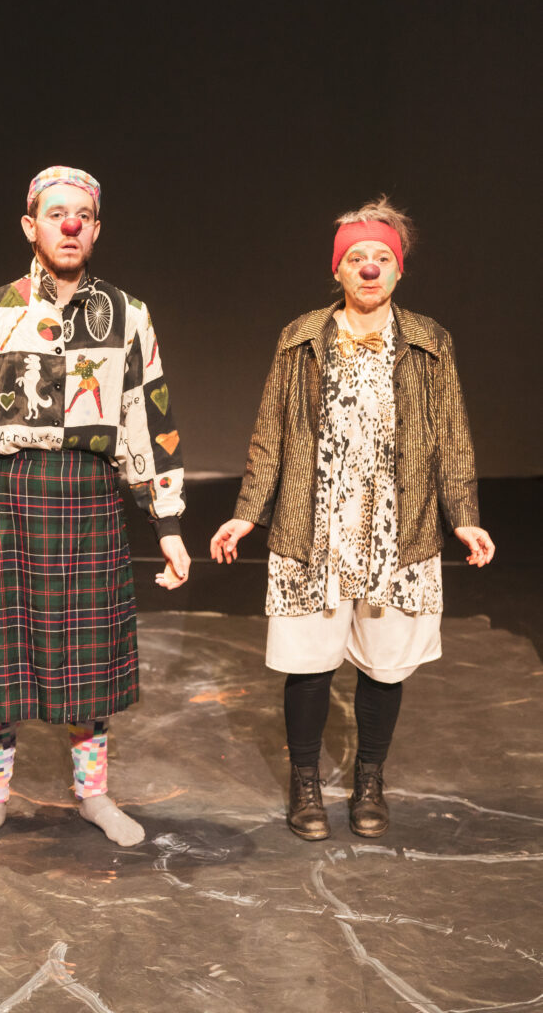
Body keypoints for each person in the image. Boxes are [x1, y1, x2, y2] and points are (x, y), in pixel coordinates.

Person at [0, 165, 190, 858]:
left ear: (96, 229)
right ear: (29, 226)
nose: (70, 226)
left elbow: (147, 422)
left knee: (86, 666)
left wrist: (169, 525)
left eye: (82, 216)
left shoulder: (129, 315)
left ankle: (92, 793)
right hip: (11, 497)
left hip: (89, 499)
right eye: (55, 213)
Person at [210, 196, 494, 841]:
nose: (369, 268)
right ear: (337, 269)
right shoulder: (301, 339)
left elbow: (452, 437)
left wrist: (464, 517)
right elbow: (271, 434)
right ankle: (305, 781)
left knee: (385, 665)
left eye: (382, 258)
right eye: (356, 258)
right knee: (309, 664)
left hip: (399, 529)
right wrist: (247, 513)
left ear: (399, 270)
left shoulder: (429, 343)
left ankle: (370, 778)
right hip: (316, 530)